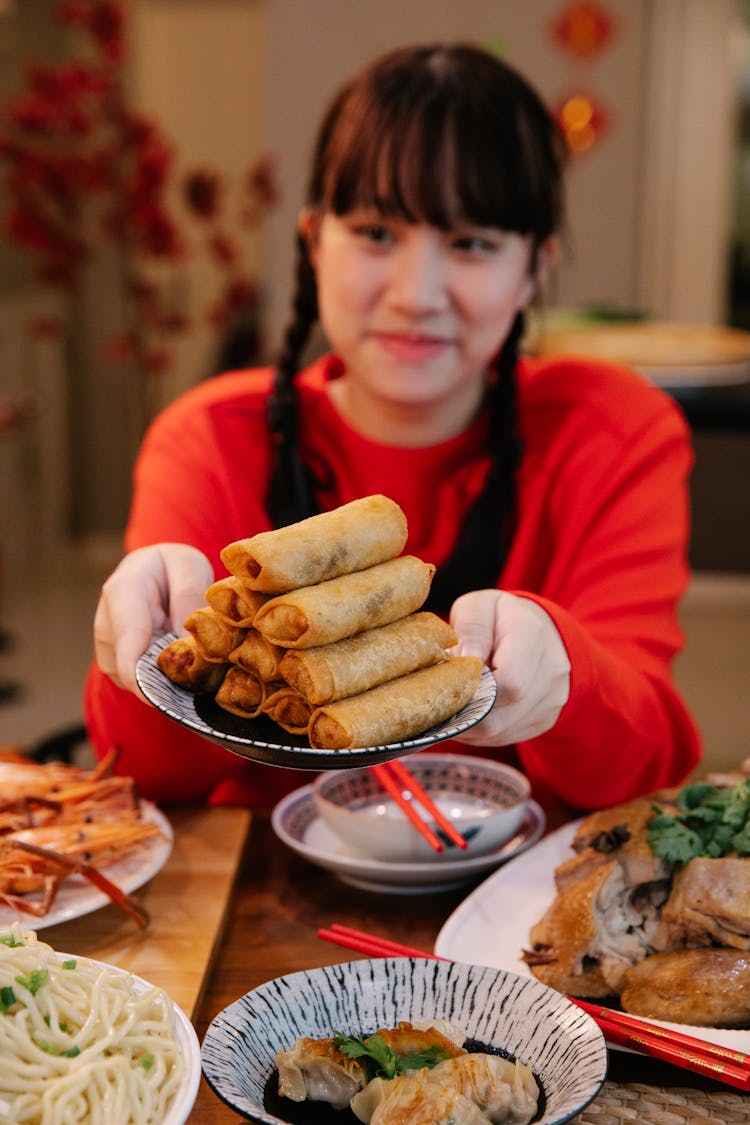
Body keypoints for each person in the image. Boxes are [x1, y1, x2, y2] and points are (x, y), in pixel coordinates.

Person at [88, 42, 701, 817]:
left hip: (522, 903)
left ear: (534, 268)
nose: (418, 293)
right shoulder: (208, 438)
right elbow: (143, 778)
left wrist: (569, 679)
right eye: (377, 232)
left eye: (472, 243)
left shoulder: (614, 432)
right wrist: (146, 657)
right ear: (314, 241)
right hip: (271, 900)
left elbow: (647, 773)